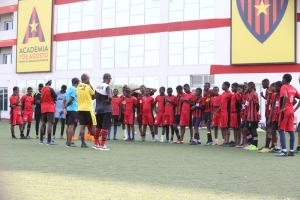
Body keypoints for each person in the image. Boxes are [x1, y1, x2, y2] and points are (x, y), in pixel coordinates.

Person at [276, 74, 300, 157]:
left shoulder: (284, 87)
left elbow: (285, 96)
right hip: (291, 111)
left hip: (285, 111)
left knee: (281, 129)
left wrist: (282, 108)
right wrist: (295, 109)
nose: (282, 80)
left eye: (282, 79)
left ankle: (284, 151)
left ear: (285, 80)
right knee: (291, 131)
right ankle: (292, 151)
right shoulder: (293, 88)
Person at [93, 73, 113, 150]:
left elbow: (94, 96)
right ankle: (102, 145)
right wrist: (109, 101)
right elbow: (110, 96)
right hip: (106, 109)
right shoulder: (107, 87)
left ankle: (95, 144)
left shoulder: (97, 86)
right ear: (108, 78)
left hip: (98, 109)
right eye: (110, 79)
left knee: (98, 127)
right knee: (105, 127)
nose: (110, 81)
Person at [76, 74, 96, 148]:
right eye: (89, 79)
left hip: (80, 109)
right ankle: (97, 143)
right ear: (86, 79)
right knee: (94, 125)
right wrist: (90, 86)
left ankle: (83, 143)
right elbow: (94, 96)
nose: (89, 80)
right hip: (88, 109)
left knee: (82, 126)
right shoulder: (88, 86)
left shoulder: (78, 87)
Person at [39, 76, 58, 145]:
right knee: (50, 124)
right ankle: (49, 141)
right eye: (51, 81)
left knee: (43, 123)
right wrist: (53, 100)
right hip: (50, 108)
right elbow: (56, 98)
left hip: (43, 108)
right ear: (49, 81)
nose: (51, 82)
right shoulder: (50, 89)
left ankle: (41, 140)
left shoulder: (42, 89)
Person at [243, 82, 260, 151]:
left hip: (253, 115)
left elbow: (257, 104)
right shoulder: (249, 94)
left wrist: (256, 112)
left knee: (254, 130)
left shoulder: (254, 94)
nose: (247, 88)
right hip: (248, 115)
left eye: (248, 87)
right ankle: (251, 143)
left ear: (251, 87)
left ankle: (255, 145)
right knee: (245, 130)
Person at [63, 78, 80, 147]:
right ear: (77, 82)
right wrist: (66, 105)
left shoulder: (68, 89)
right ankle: (69, 143)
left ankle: (68, 141)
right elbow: (71, 100)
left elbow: (63, 100)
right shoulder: (74, 89)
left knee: (68, 126)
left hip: (68, 110)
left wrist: (64, 108)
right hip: (73, 110)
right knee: (71, 126)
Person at [266, 82, 281, 153]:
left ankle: (281, 147)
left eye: (274, 87)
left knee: (280, 131)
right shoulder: (274, 95)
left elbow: (294, 101)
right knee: (272, 131)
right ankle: (276, 146)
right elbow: (270, 105)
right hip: (274, 116)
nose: (273, 88)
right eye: (273, 87)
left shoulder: (282, 95)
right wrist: (269, 117)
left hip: (280, 116)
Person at [217, 82, 232, 147]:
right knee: (223, 127)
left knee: (227, 127)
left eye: (223, 85)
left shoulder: (230, 94)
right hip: (222, 112)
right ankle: (224, 141)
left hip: (227, 112)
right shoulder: (222, 94)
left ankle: (227, 142)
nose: (222, 86)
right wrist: (216, 111)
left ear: (227, 86)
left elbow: (232, 104)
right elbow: (221, 104)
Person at [260, 79, 272, 150]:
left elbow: (271, 101)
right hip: (267, 112)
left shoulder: (270, 90)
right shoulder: (267, 90)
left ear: (267, 83)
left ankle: (271, 144)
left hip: (270, 112)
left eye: (263, 84)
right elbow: (268, 100)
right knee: (268, 128)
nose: (262, 85)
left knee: (270, 129)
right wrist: (263, 96)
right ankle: (267, 144)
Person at [230, 83, 242, 147]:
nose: (232, 89)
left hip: (236, 112)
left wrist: (240, 108)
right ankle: (235, 141)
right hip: (232, 113)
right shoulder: (233, 95)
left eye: (233, 87)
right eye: (231, 87)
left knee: (238, 128)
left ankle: (238, 142)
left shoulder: (237, 94)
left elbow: (240, 102)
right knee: (234, 128)